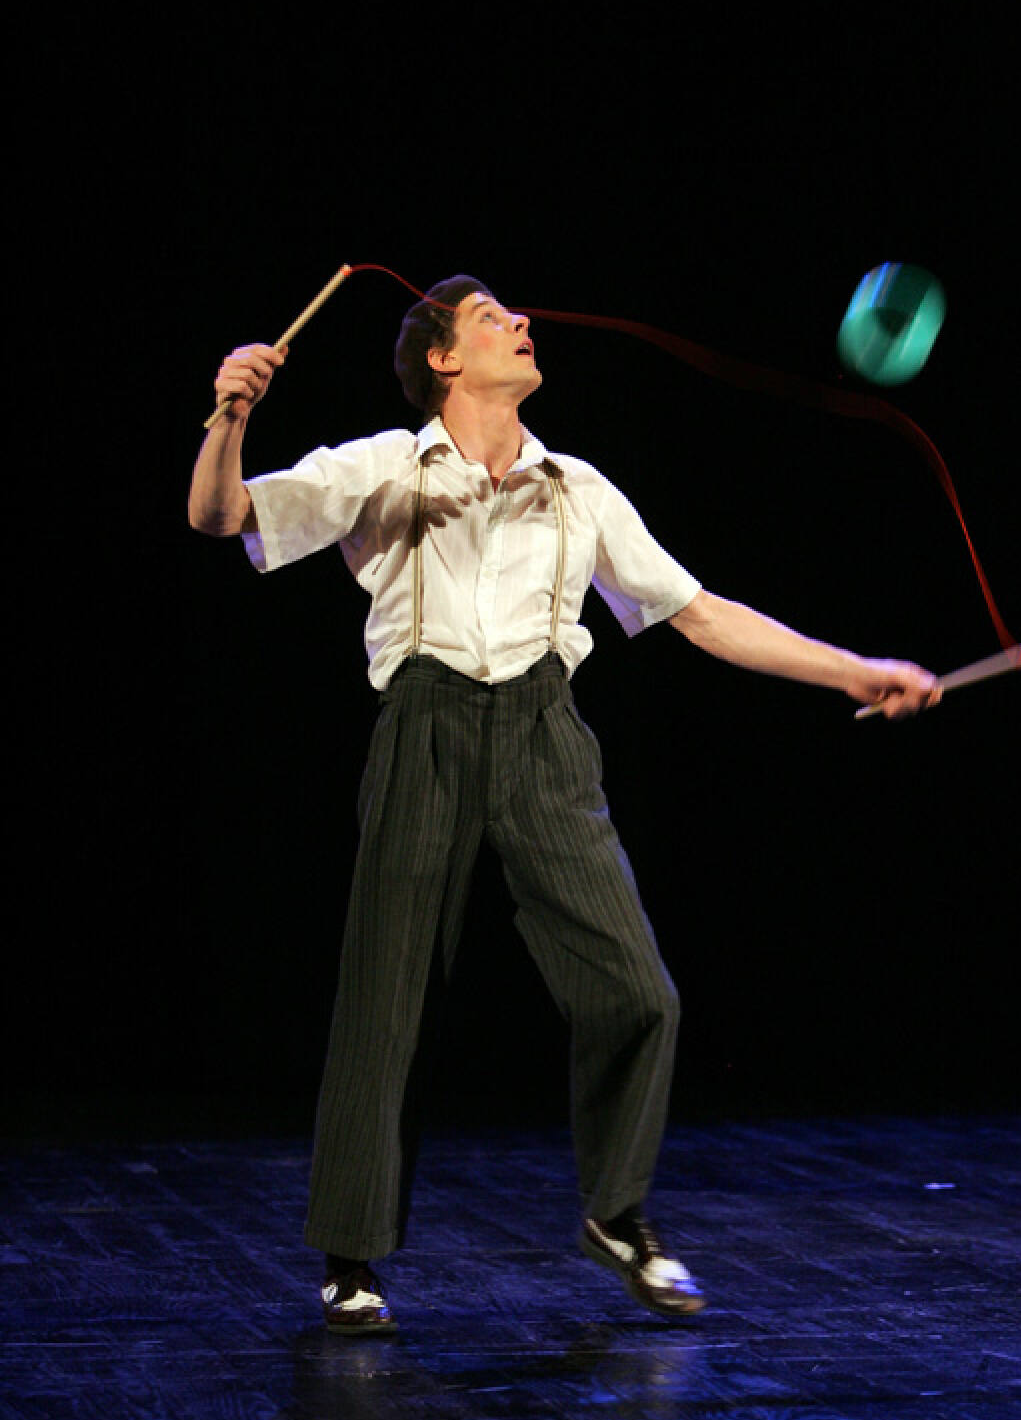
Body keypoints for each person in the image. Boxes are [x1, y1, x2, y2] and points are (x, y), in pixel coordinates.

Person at [188, 273, 940, 1335]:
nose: (522, 323)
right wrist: (232, 414)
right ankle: (351, 1254)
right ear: (443, 359)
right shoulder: (386, 465)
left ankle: (616, 1214)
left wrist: (854, 670)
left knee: (639, 991)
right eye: (492, 317)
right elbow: (221, 516)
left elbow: (700, 613)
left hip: (544, 731)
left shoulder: (576, 487)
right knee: (388, 1001)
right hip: (426, 726)